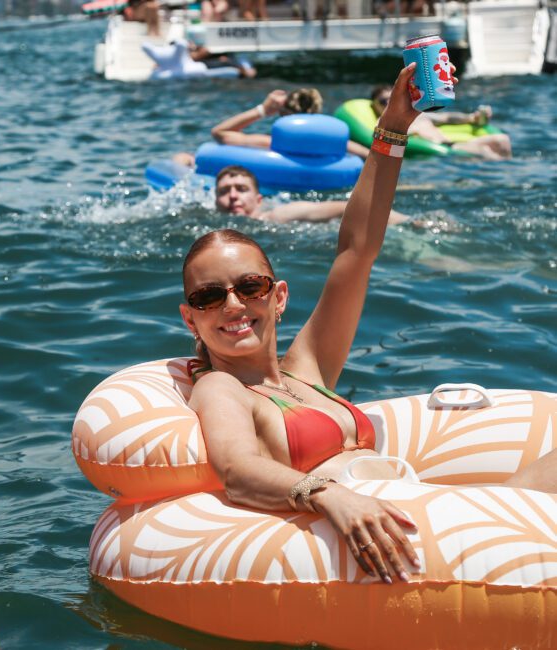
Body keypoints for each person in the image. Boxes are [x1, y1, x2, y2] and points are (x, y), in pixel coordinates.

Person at [178, 62, 556, 586]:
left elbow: (358, 249)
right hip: (401, 534)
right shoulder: (222, 388)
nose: (233, 306)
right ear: (190, 315)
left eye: (249, 287)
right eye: (209, 296)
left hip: (430, 512)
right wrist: (327, 495)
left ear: (278, 296)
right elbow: (238, 469)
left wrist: (394, 124)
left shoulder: (304, 370)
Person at [214, 164, 410, 225]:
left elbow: (347, 208)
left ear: (259, 199)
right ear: (215, 200)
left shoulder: (279, 215)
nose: (232, 196)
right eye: (224, 191)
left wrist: (407, 221)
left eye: (241, 189)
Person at [211, 88, 371, 159]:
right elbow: (371, 157)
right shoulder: (339, 144)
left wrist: (263, 110)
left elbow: (219, 133)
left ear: (283, 115)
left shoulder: (272, 144)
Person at [371, 84, 512, 160]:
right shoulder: (383, 123)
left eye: (392, 98)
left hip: (452, 145)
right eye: (383, 101)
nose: (389, 103)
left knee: (502, 139)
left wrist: (472, 118)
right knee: (484, 151)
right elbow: (381, 139)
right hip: (441, 152)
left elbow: (447, 118)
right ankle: (508, 178)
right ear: (375, 105)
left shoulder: (417, 115)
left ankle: (509, 170)